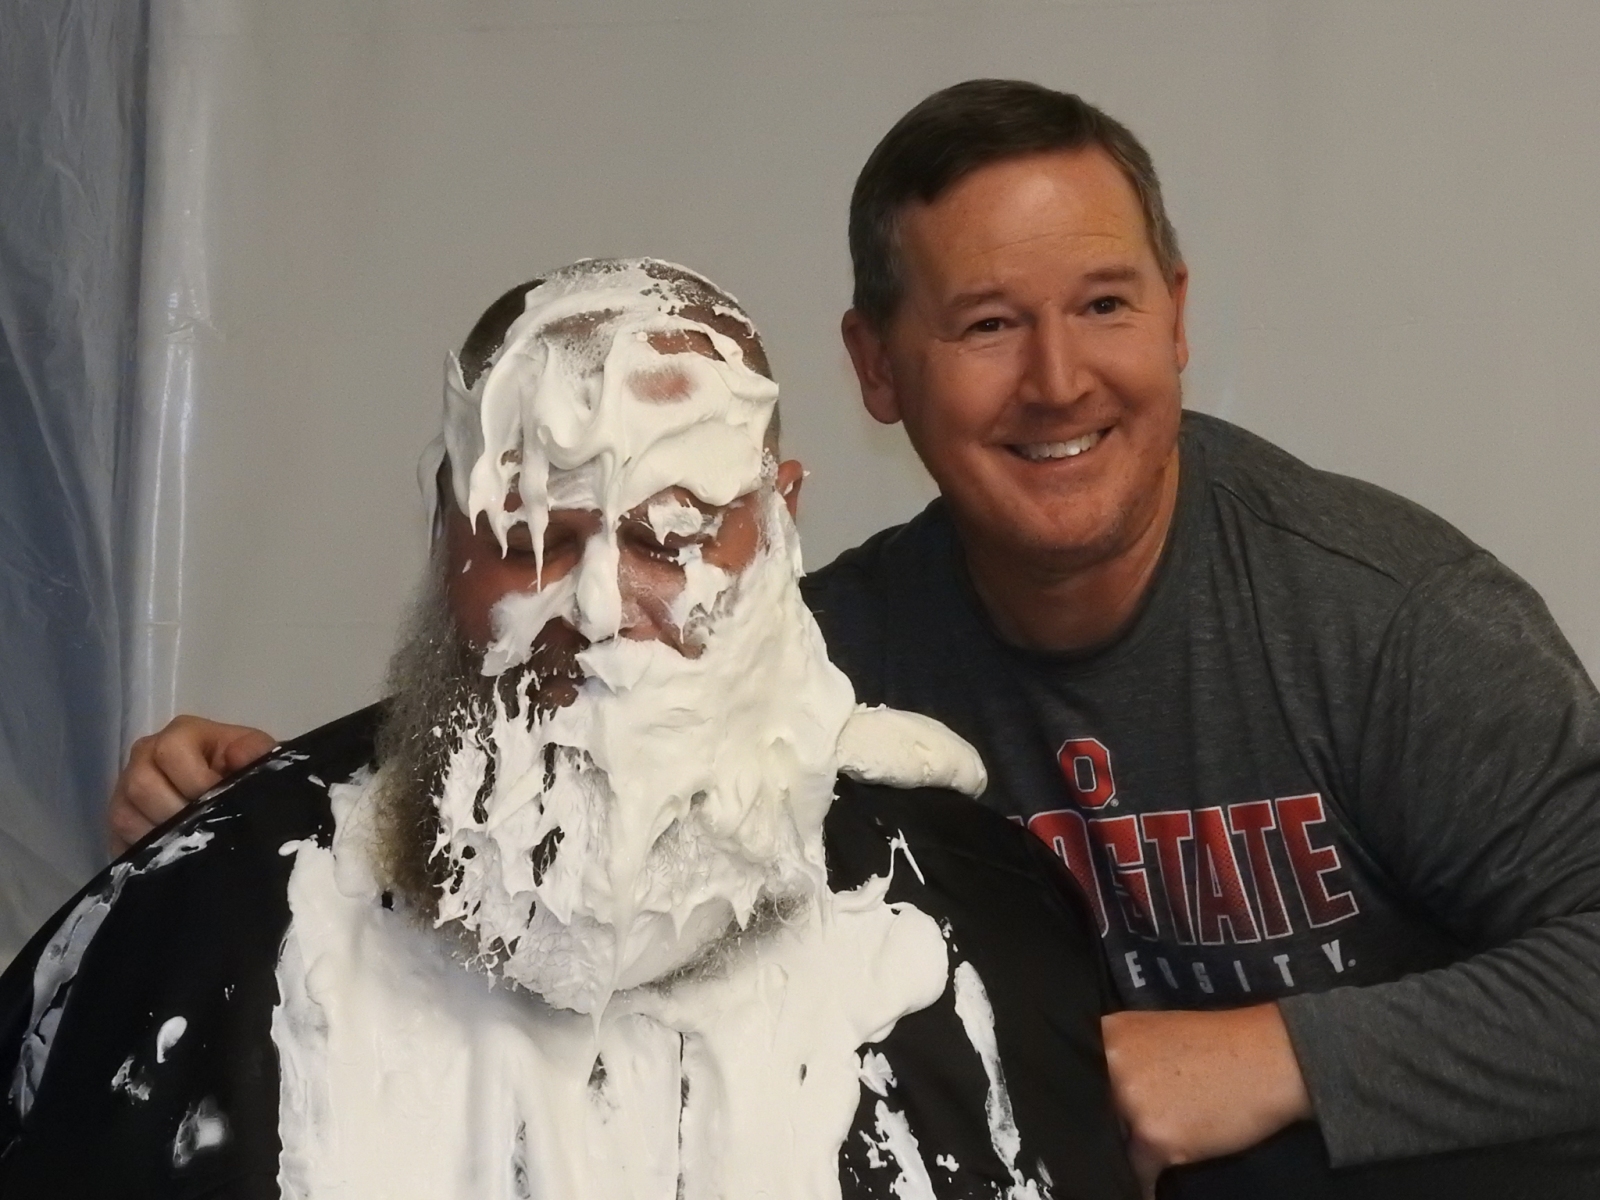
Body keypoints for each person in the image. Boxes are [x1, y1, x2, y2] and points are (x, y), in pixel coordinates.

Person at [108, 82, 1600, 1197]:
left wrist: (1272, 1058)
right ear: (876, 369)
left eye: (1104, 304)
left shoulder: (1390, 618)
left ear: (1177, 315)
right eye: (987, 325)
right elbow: (557, 719)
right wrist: (274, 796)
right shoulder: (825, 652)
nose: (1060, 379)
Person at [2, 259, 1135, 1198]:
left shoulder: (965, 913)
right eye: (532, 538)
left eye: (672, 533)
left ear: (779, 521)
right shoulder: (212, 912)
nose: (597, 609)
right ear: (445, 524)